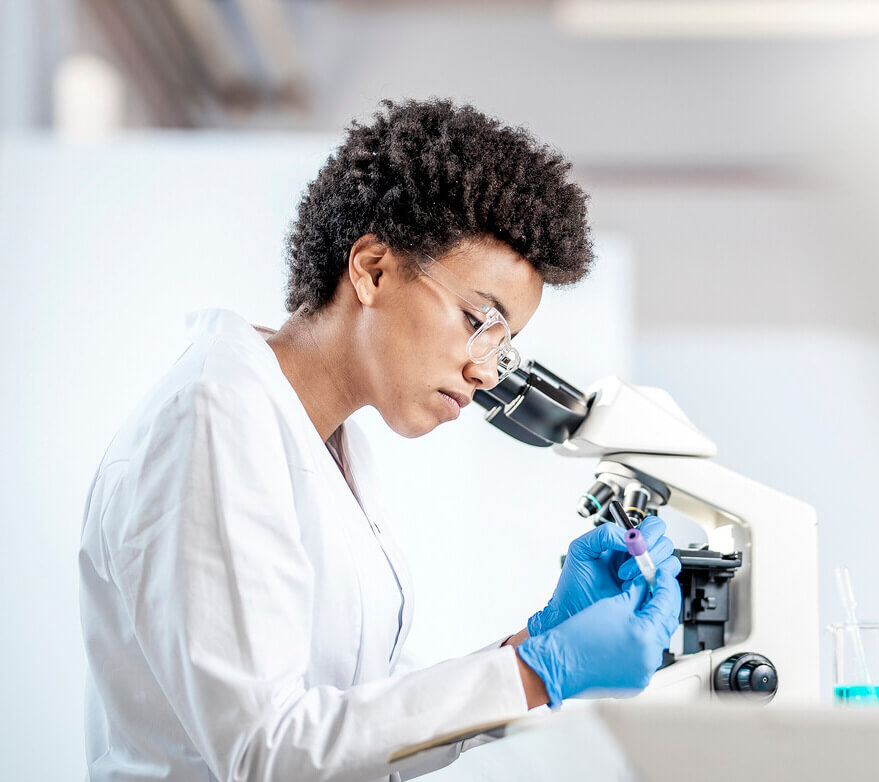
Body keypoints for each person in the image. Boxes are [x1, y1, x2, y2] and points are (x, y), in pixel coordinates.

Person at [78, 98, 682, 781]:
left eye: (505, 344)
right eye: (480, 320)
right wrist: (531, 675)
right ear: (371, 268)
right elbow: (266, 751)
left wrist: (533, 644)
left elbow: (361, 710)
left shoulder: (329, 443)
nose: (486, 370)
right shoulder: (216, 416)